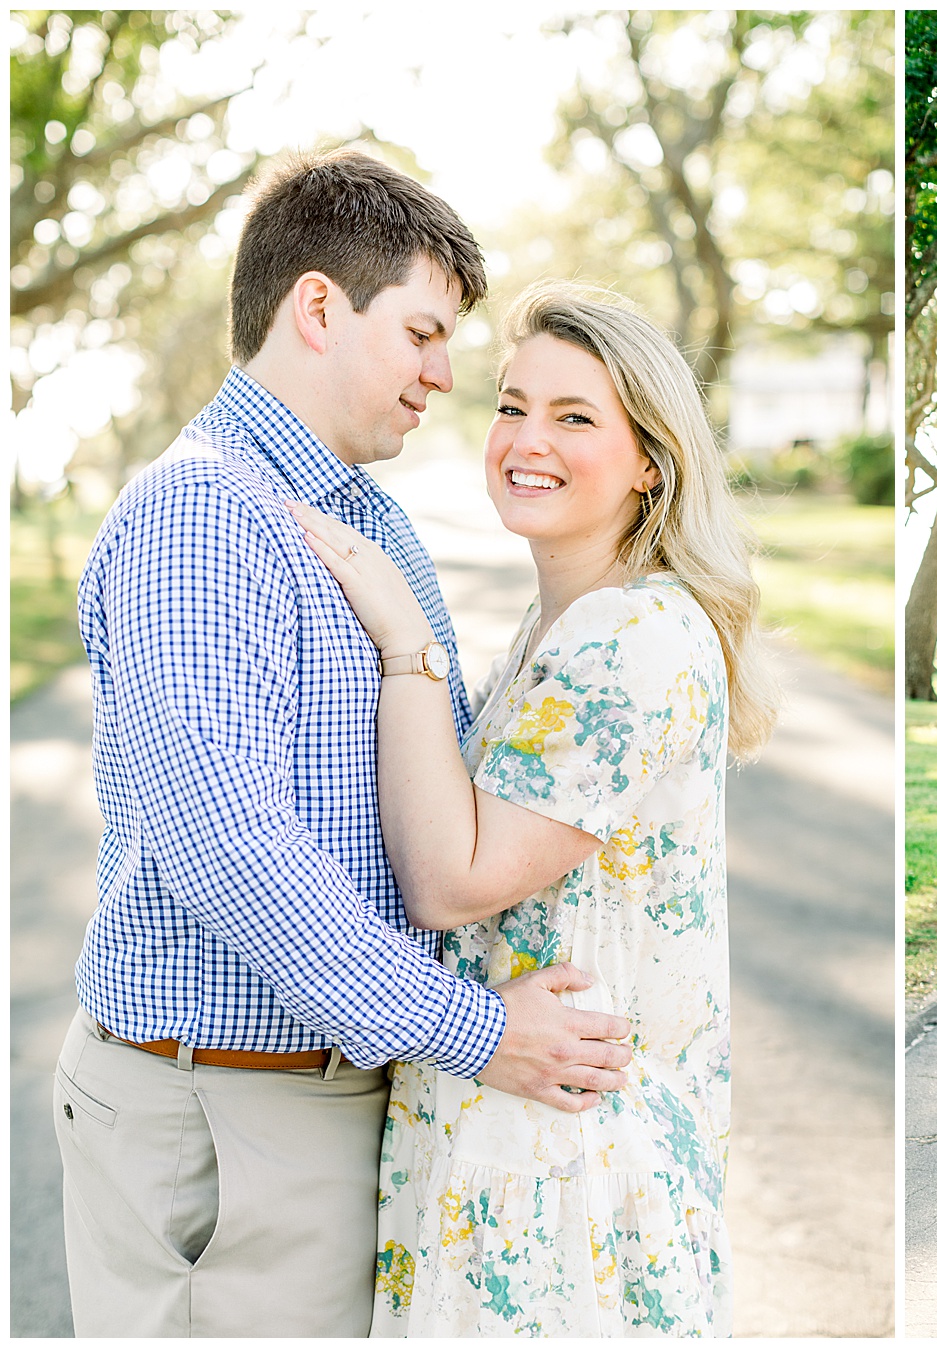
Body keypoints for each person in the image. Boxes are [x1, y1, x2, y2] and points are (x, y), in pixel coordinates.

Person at [55, 150, 634, 1338]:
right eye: (423, 333)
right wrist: (481, 1033)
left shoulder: (360, 514)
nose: (445, 374)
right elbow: (236, 853)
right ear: (317, 306)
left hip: (322, 1096)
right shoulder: (202, 520)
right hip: (221, 1114)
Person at [292, 280, 778, 1334]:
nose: (526, 440)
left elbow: (451, 880)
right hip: (505, 1145)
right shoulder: (558, 627)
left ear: (653, 460)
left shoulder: (630, 636)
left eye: (575, 417)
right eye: (513, 405)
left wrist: (408, 644)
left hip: (561, 1178)